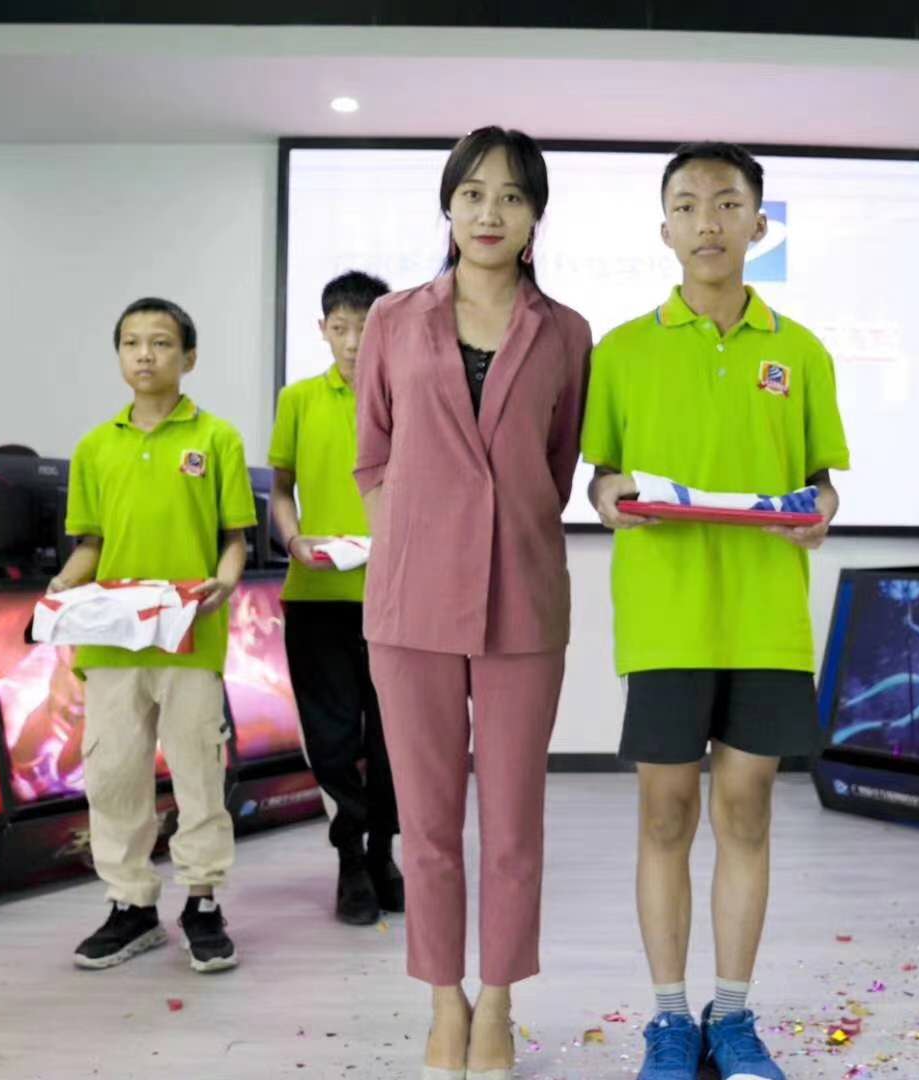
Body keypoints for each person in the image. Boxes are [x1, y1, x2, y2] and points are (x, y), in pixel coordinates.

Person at [584, 142, 848, 1080]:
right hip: (666, 616)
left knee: (746, 813)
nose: (709, 221)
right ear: (665, 228)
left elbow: (820, 482)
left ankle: (731, 1016)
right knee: (665, 816)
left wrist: (821, 512)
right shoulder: (622, 349)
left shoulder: (801, 350)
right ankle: (667, 1019)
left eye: (728, 203)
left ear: (759, 225)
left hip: (766, 619)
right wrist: (610, 497)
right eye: (689, 205)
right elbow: (601, 477)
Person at [351, 127, 590, 1080]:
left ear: (536, 217)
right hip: (409, 602)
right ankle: (443, 1000)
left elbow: (557, 467)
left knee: (514, 823)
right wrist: (419, 534)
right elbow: (372, 456)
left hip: (523, 597)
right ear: (448, 206)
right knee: (428, 820)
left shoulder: (566, 333)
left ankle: (498, 1002)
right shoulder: (393, 320)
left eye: (513, 196)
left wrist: (495, 529)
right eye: (473, 193)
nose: (491, 212)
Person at [53, 297, 258, 974]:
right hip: (111, 641)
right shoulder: (95, 447)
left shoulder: (217, 439)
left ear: (188, 357)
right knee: (113, 775)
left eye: (161, 342)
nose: (145, 354)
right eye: (132, 342)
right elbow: (90, 545)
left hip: (189, 637)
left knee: (198, 774)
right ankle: (131, 905)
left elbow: (234, 540)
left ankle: (202, 901)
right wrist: (62, 584)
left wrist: (223, 582)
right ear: (119, 355)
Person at [268, 269, 403, 926]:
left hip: (398, 594)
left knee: (395, 735)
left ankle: (382, 852)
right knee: (331, 735)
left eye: (365, 327)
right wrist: (293, 539)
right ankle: (350, 855)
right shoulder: (298, 399)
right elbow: (281, 487)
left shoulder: (409, 395)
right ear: (322, 329)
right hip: (318, 591)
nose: (353, 342)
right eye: (340, 328)